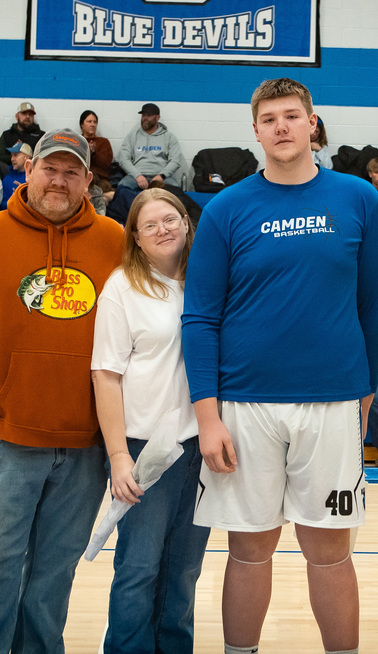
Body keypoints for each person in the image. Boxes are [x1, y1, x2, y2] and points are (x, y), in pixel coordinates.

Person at [182, 78, 378, 654]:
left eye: (292, 115)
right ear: (255, 131)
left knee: (330, 553)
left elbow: (373, 305)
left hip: (333, 400)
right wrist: (207, 414)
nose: (281, 126)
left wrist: (365, 391)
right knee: (249, 550)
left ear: (312, 124)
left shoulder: (357, 199)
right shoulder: (225, 208)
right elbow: (200, 317)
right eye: (269, 118)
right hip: (244, 405)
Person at [0, 128, 124, 652]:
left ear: (88, 181)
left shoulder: (115, 242)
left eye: (71, 172)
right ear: (28, 170)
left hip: (84, 448)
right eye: (50, 169)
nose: (59, 181)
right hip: (7, 440)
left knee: (52, 576)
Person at [91, 188, 210, 653]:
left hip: (199, 444)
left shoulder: (206, 281)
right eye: (150, 225)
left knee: (183, 567)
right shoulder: (122, 286)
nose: (164, 229)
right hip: (144, 448)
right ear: (136, 238)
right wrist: (119, 456)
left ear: (187, 223)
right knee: (139, 567)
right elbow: (105, 374)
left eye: (172, 219)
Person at [117, 102, 184, 192]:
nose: (145, 118)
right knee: (121, 190)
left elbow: (175, 160)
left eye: (148, 115)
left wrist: (161, 176)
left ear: (158, 117)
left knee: (177, 192)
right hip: (136, 177)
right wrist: (137, 175)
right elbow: (123, 160)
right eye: (143, 115)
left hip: (162, 177)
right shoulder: (132, 136)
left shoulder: (169, 137)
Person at [0, 101, 45, 176]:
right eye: (24, 114)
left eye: (30, 114)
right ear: (17, 116)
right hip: (9, 170)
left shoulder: (41, 135)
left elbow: (44, 157)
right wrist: (15, 157)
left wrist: (26, 155)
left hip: (32, 171)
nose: (27, 116)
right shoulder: (7, 134)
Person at [80, 109, 116, 213]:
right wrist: (87, 152)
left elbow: (105, 164)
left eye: (94, 122)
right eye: (89, 121)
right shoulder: (77, 141)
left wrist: (94, 153)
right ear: (82, 124)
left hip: (100, 180)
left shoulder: (103, 142)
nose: (92, 124)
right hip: (82, 178)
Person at [0, 142, 31, 207]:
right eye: (11, 155)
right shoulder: (7, 179)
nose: (12, 159)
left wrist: (25, 197)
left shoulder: (35, 177)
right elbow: (2, 206)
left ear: (27, 157)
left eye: (16, 155)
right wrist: (13, 200)